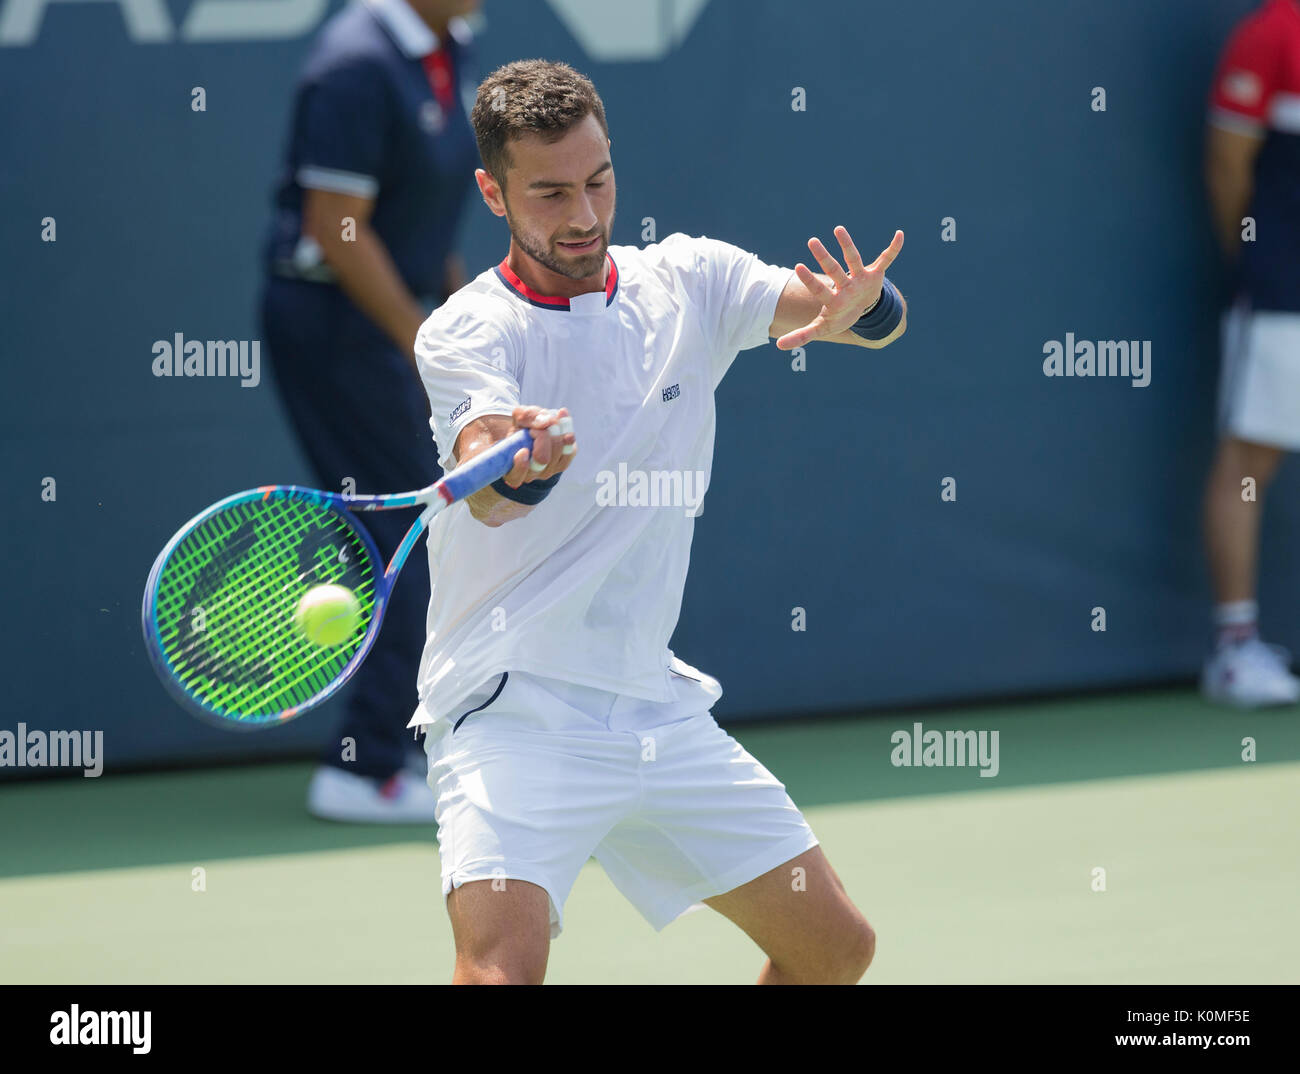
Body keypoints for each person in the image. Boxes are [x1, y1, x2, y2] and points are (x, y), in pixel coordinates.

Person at [411, 60, 907, 984]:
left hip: (651, 704)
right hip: (511, 710)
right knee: (497, 976)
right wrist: (521, 458)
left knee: (836, 948)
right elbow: (484, 474)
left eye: (598, 180)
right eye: (551, 192)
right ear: (492, 191)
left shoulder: (690, 282)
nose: (585, 214)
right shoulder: (465, 332)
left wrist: (863, 306)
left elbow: (859, 320)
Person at [259, 0, 484, 819]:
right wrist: (420, 344)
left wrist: (465, 318)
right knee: (409, 533)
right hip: (334, 328)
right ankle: (363, 766)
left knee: (421, 528)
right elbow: (338, 225)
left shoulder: (444, 43)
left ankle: (389, 751)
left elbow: (420, 213)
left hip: (387, 321)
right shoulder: (356, 62)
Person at [1201, 0, 1300, 708]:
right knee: (1249, 459)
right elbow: (1228, 165)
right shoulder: (1272, 33)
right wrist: (1257, 257)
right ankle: (1236, 650)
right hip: (1281, 286)